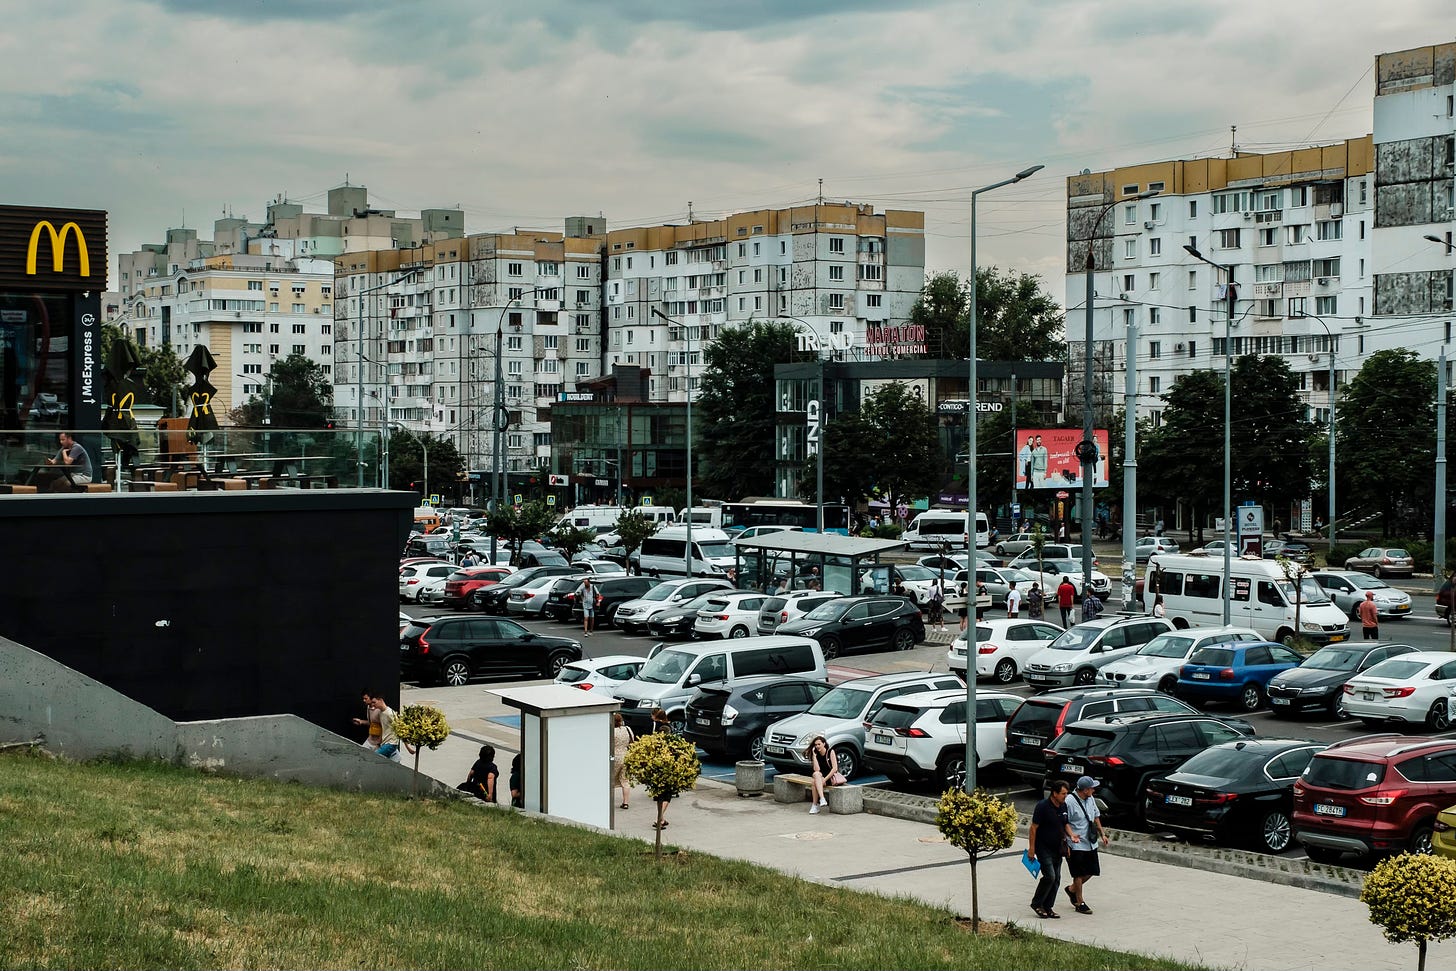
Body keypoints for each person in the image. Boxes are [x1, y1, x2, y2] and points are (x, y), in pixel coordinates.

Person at [1028, 779, 1075, 919]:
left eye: (1066, 794)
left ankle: (1048, 907)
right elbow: (1033, 828)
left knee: (1057, 879)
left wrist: (1071, 836)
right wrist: (1032, 848)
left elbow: (1065, 824)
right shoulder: (1042, 807)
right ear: (1054, 793)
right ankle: (1037, 903)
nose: (1065, 796)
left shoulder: (1063, 806)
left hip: (1058, 848)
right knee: (1050, 876)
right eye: (1063, 794)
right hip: (1043, 848)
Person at [1064, 776, 1108, 914]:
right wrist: (1070, 837)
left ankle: (1071, 890)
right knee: (1078, 872)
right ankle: (1079, 902)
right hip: (1075, 843)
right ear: (1085, 790)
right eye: (1092, 788)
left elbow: (1096, 816)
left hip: (1090, 841)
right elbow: (1064, 822)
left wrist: (1102, 834)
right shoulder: (1069, 802)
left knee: (1092, 870)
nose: (1094, 790)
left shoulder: (1090, 799)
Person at [370, 695, 415, 764]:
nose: (373, 705)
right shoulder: (381, 713)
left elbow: (400, 729)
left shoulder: (390, 713)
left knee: (373, 758)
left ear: (381, 700)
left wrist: (408, 747)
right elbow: (384, 729)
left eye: (374, 702)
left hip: (390, 744)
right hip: (385, 744)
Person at [805, 735, 842, 815]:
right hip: (820, 778)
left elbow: (835, 768)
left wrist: (824, 780)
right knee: (816, 774)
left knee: (814, 782)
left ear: (824, 744)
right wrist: (814, 757)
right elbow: (817, 769)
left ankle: (815, 805)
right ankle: (822, 798)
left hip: (830, 778)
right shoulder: (816, 754)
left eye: (819, 744)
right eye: (816, 745)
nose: (817, 746)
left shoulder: (830, 751)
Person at [612, 712, 635, 810]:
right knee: (625, 780)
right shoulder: (627, 729)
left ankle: (609, 801)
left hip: (615, 757)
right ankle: (625, 802)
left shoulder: (611, 731)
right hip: (626, 756)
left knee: (610, 780)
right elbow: (632, 740)